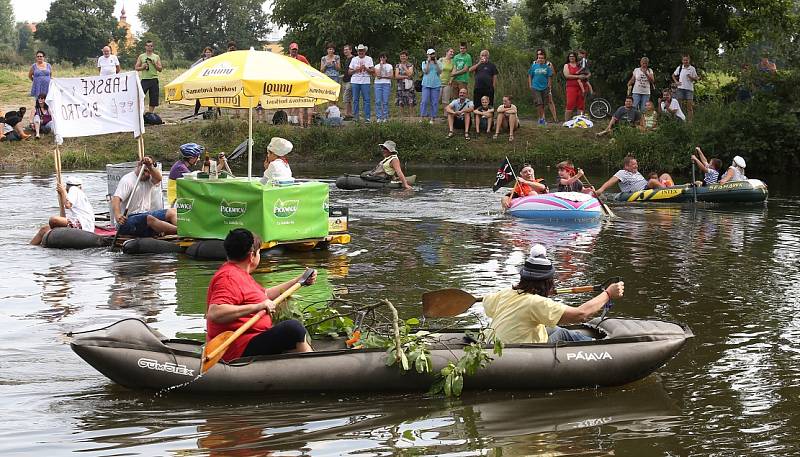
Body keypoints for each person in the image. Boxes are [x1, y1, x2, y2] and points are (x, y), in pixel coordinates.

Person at [206, 228, 316, 362]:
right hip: (237, 348)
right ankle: (313, 366)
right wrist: (258, 307)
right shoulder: (228, 277)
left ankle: (306, 360)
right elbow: (215, 313)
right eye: (259, 252)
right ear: (252, 255)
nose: (259, 255)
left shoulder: (240, 274)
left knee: (290, 331)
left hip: (254, 338)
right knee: (293, 329)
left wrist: (298, 281)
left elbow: (266, 295)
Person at [483, 244, 625, 344]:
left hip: (495, 345)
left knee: (553, 328)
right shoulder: (536, 302)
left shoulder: (505, 293)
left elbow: (487, 303)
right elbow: (580, 314)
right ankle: (597, 348)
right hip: (516, 353)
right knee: (562, 333)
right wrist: (608, 294)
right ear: (547, 282)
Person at [112, 156, 177, 237]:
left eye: (149, 172)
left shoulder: (149, 179)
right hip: (128, 219)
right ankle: (181, 231)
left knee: (172, 211)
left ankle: (185, 228)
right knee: (149, 218)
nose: (146, 174)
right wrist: (118, 215)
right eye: (145, 171)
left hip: (144, 213)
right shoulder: (127, 180)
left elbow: (158, 178)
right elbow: (116, 199)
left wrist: (150, 166)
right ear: (138, 166)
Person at [30, 177, 96, 245]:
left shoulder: (74, 189)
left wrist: (63, 191)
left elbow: (67, 205)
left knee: (53, 220)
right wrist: (61, 200)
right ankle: (30, 247)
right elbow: (63, 217)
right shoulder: (73, 196)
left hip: (82, 225)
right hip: (78, 224)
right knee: (43, 229)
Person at [592, 156, 664, 196]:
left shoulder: (636, 172)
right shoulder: (622, 173)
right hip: (640, 192)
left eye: (636, 164)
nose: (636, 166)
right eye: (633, 164)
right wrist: (601, 190)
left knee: (665, 175)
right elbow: (610, 182)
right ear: (626, 166)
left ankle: (671, 188)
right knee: (652, 181)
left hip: (648, 187)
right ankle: (668, 191)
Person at [135, 41, 163, 113]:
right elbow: (136, 68)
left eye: (151, 46)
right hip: (144, 79)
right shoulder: (141, 56)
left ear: (153, 47)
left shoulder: (156, 56)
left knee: (153, 97)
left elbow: (160, 69)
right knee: (140, 96)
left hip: (154, 78)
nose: (149, 47)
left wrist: (155, 64)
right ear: (145, 47)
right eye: (147, 46)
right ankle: (140, 112)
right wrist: (143, 67)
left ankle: (151, 113)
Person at [348, 44, 374, 123]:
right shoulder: (354, 59)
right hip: (355, 81)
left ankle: (367, 118)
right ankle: (356, 117)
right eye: (359, 50)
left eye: (362, 50)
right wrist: (356, 70)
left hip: (365, 81)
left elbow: (373, 71)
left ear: (365, 51)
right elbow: (349, 72)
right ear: (357, 51)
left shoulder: (369, 59)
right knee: (355, 100)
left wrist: (366, 68)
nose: (361, 52)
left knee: (367, 100)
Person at [288, 42, 311, 127]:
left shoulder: (301, 58)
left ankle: (296, 121)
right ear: (289, 49)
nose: (294, 51)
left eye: (295, 50)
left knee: (298, 101)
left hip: (300, 82)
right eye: (292, 49)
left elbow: (309, 68)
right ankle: (290, 120)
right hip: (290, 82)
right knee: (289, 100)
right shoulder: (286, 58)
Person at [191, 47, 218, 118]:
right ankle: (195, 113)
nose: (208, 53)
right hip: (203, 81)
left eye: (209, 52)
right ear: (204, 53)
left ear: (212, 53)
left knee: (210, 96)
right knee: (199, 97)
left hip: (211, 81)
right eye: (207, 52)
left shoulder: (214, 60)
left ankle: (209, 112)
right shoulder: (202, 60)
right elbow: (192, 66)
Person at [528, 51, 553, 126]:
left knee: (543, 104)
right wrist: (530, 85)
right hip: (535, 87)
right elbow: (529, 75)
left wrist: (549, 86)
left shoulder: (547, 67)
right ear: (537, 59)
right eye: (539, 58)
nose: (540, 59)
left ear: (544, 59)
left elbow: (549, 77)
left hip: (544, 87)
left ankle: (541, 118)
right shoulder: (534, 66)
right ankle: (542, 119)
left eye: (542, 58)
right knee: (539, 103)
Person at [672, 54, 699, 121]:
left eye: (687, 60)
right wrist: (676, 82)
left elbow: (696, 79)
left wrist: (691, 77)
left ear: (689, 60)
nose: (685, 61)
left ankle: (690, 122)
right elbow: (673, 75)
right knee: (679, 106)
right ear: (682, 61)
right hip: (680, 89)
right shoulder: (680, 67)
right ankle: (680, 120)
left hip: (689, 90)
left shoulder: (692, 68)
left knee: (689, 107)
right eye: (684, 60)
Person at [562, 51, 588, 121]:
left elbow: (586, 72)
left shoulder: (579, 64)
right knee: (570, 103)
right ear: (568, 58)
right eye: (570, 56)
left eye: (573, 56)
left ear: (575, 57)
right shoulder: (566, 65)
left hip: (581, 86)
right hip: (571, 87)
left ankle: (579, 121)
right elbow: (567, 75)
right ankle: (567, 121)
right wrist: (578, 76)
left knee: (581, 104)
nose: (571, 58)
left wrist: (585, 76)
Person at [420, 48, 442, 124]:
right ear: (428, 55)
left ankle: (432, 118)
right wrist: (428, 62)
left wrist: (436, 63)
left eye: (433, 54)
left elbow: (439, 72)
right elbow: (425, 71)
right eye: (431, 54)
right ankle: (422, 117)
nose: (432, 55)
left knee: (434, 102)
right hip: (426, 84)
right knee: (424, 101)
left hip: (436, 84)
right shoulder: (424, 62)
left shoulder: (438, 62)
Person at [538, 49, 559, 123]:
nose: (539, 56)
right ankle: (542, 118)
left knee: (550, 101)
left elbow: (553, 73)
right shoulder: (534, 63)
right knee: (540, 102)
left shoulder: (549, 64)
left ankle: (555, 118)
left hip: (546, 84)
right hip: (537, 85)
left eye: (541, 54)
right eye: (538, 55)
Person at [394, 50, 416, 118]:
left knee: (411, 101)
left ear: (407, 57)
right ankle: (401, 117)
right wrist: (406, 76)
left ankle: (411, 117)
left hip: (409, 85)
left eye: (404, 56)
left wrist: (404, 67)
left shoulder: (410, 65)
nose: (402, 57)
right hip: (400, 85)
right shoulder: (397, 65)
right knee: (401, 101)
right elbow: (396, 76)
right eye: (401, 56)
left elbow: (410, 74)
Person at [373, 53, 393, 123]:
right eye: (381, 57)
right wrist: (381, 67)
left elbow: (391, 76)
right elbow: (378, 75)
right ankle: (379, 117)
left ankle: (385, 117)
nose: (382, 59)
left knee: (385, 101)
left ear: (386, 58)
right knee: (378, 101)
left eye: (384, 57)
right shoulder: (377, 66)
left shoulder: (389, 66)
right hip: (378, 84)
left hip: (386, 84)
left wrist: (383, 76)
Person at [342, 44, 354, 119]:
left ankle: (346, 114)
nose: (345, 51)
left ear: (351, 50)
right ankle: (349, 114)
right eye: (344, 50)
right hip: (345, 80)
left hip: (351, 80)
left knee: (346, 97)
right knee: (348, 98)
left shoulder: (353, 59)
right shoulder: (347, 59)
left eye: (347, 49)